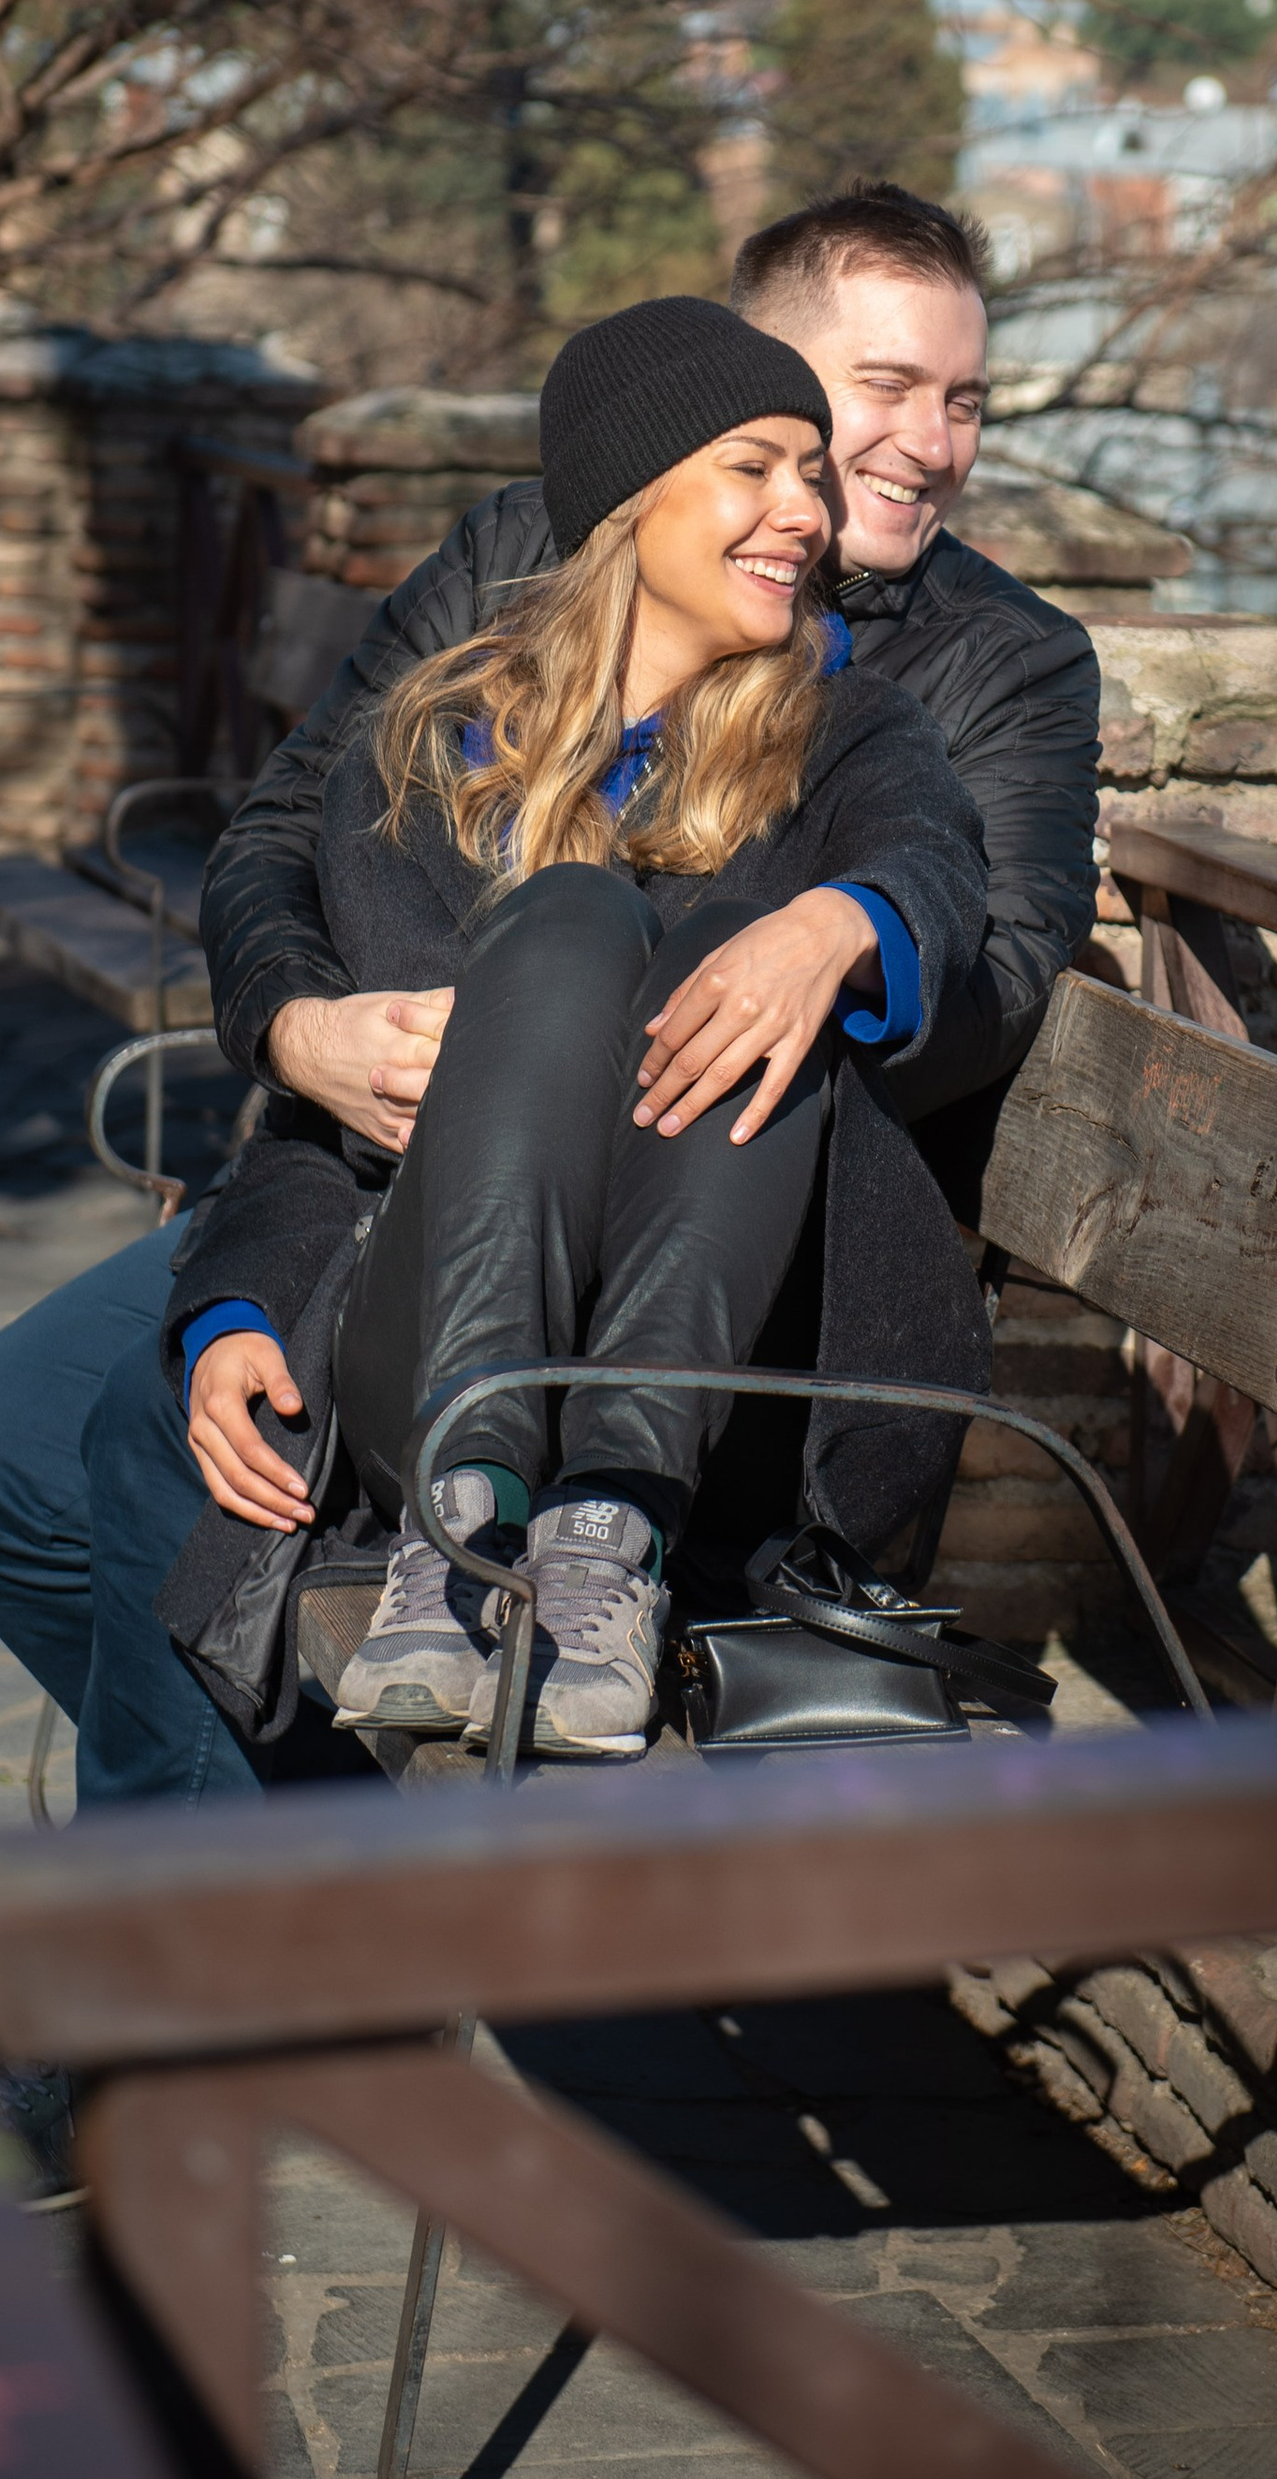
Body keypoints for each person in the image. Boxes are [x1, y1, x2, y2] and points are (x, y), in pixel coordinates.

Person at [0, 184, 1100, 1799]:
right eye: (872, 395)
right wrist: (301, 1030)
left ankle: (204, 1965)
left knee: (157, 1446)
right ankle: (288, 1857)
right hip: (394, 1171)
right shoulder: (526, 562)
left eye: (964, 402)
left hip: (720, 1220)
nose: (918, 447)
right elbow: (284, 832)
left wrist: (838, 932)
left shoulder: (984, 669)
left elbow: (998, 969)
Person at [159, 297, 990, 1758]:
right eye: (756, 466)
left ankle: (607, 1527)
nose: (807, 508)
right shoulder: (427, 753)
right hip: (418, 1360)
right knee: (568, 919)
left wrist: (841, 922)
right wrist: (231, 1310)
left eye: (813, 472)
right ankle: (468, 1519)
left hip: (711, 1385)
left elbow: (937, 869)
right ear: (628, 496)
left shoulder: (848, 737)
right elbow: (334, 1122)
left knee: (745, 961)